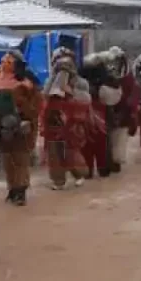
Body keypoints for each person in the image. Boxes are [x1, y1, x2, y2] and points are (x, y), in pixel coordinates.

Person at [0, 51, 42, 204]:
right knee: (7, 159)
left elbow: (37, 102)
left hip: (23, 125)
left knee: (20, 158)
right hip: (2, 126)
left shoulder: (27, 79)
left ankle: (20, 190)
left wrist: (27, 116)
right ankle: (12, 189)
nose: (6, 62)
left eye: (10, 60)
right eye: (5, 60)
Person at [42, 47, 91, 188]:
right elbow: (45, 96)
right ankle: (59, 180)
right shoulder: (50, 82)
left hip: (71, 121)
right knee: (55, 150)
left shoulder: (80, 83)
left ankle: (79, 173)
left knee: (70, 149)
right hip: (53, 119)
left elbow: (85, 101)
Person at [78, 50, 123, 178]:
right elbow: (116, 96)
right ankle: (103, 169)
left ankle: (88, 170)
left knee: (87, 142)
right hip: (102, 111)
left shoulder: (81, 80)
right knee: (103, 141)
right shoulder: (108, 80)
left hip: (86, 112)